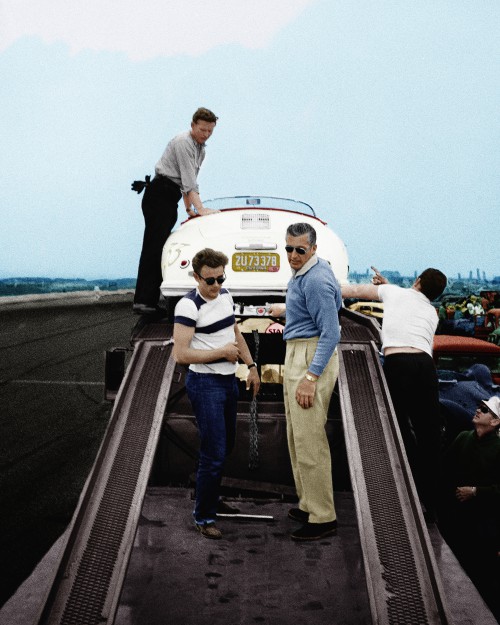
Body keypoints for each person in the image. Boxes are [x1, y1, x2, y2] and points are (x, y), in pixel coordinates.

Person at [341, 266, 447, 522]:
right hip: (425, 365)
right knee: (429, 434)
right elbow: (408, 304)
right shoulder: (431, 312)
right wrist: (389, 288)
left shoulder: (394, 293)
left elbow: (353, 290)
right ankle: (431, 502)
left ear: (418, 280)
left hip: (399, 363)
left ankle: (408, 486)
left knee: (398, 428)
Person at [173, 248, 260, 540]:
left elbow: (235, 334)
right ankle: (204, 516)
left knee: (225, 446)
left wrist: (251, 365)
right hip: (205, 384)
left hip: (227, 383)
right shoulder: (188, 306)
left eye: (220, 278)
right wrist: (221, 353)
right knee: (214, 452)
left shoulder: (225, 296)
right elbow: (181, 354)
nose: (216, 286)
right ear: (196, 277)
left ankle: (208, 497)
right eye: (209, 280)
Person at [269, 222, 341, 541]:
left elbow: (332, 332)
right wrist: (286, 311)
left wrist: (311, 376)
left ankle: (323, 517)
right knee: (298, 436)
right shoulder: (306, 273)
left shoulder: (316, 279)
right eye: (289, 248)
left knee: (310, 439)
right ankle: (309, 503)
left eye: (300, 250)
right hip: (300, 349)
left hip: (310, 355)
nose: (293, 255)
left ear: (313, 248)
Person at [132, 107, 219, 315]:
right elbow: (189, 182)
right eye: (202, 130)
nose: (205, 134)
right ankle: (144, 301)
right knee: (154, 249)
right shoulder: (183, 143)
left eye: (210, 131)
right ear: (192, 126)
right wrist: (202, 209)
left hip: (171, 197)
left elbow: (189, 182)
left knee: (161, 248)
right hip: (159, 194)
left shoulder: (201, 149)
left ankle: (150, 300)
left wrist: (189, 208)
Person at [438, 397, 500, 617]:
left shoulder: (498, 450)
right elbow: (443, 471)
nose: (478, 410)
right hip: (455, 519)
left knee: (479, 575)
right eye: (480, 407)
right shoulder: (463, 438)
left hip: (482, 526)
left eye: (484, 410)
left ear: (495, 422)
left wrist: (475, 492)